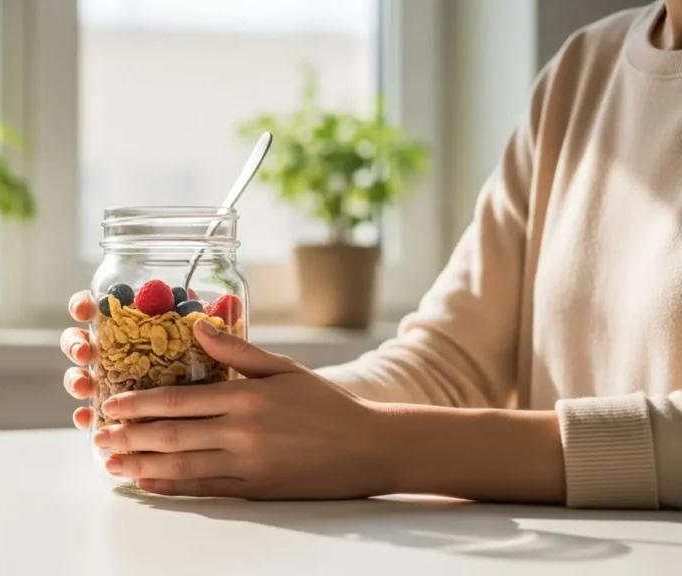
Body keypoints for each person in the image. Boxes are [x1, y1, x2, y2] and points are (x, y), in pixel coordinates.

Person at [61, 0, 682, 509]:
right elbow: (449, 361)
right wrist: (252, 419)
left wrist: (387, 445)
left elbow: (387, 436)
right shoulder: (583, 70)